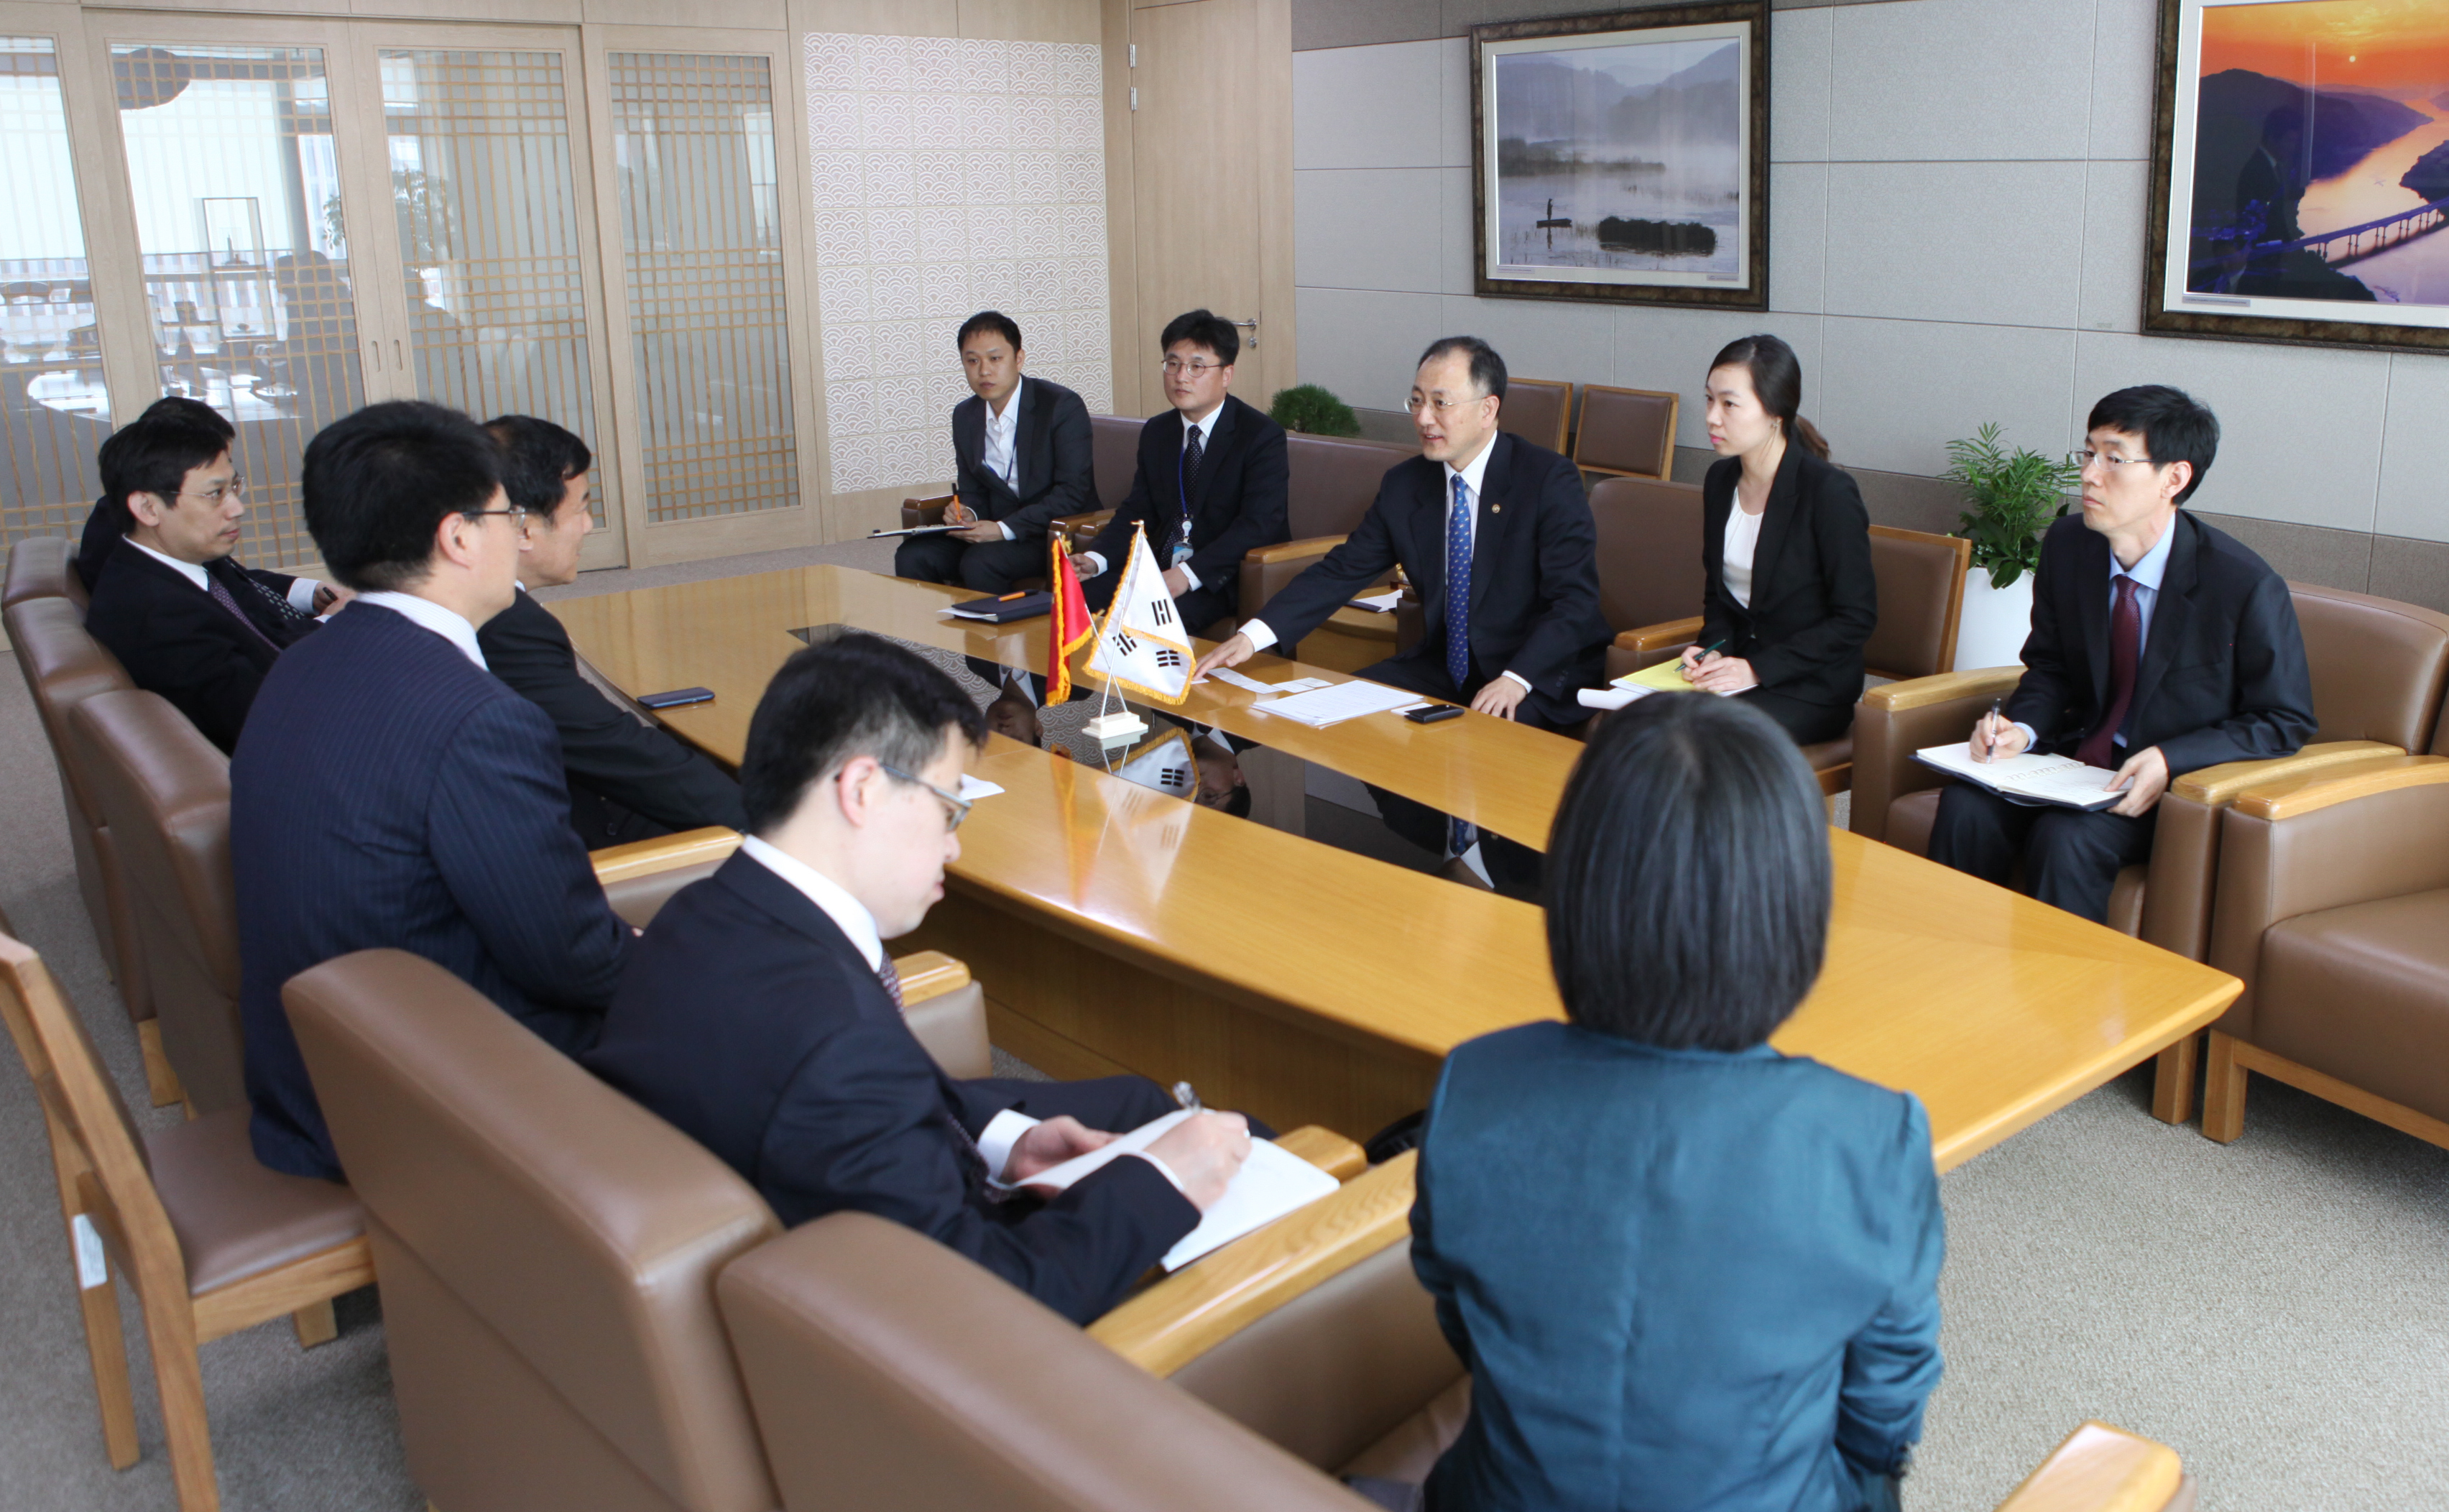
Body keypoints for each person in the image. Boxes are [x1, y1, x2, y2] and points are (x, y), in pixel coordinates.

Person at [589, 633, 1255, 1324]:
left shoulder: (701, 913)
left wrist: (1006, 1139)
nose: (954, 845)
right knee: (1228, 1151)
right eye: (948, 810)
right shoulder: (838, 1043)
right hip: (953, 1334)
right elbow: (988, 1306)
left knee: (1140, 1103)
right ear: (864, 789)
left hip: (831, 1210)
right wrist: (1165, 1181)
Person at [1393, 693, 1942, 1512]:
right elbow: (1884, 1405)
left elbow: (1462, 1319)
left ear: (1576, 886)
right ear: (1791, 909)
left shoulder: (1475, 1084)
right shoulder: (1873, 1136)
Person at [231, 400, 631, 1181]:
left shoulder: (304, 660)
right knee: (775, 1004)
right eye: (505, 513)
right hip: (428, 1094)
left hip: (313, 1072)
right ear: (457, 535)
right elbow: (572, 960)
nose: (520, 531)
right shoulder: (479, 720)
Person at [1927, 385, 2315, 926]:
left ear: (2174, 479)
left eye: (2114, 459)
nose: (2089, 474)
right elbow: (2052, 666)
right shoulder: (2069, 545)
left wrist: (2170, 759)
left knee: (2067, 839)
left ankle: (2061, 1003)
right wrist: (2022, 728)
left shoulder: (2242, 585)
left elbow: (2284, 719)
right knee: (1966, 808)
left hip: (2161, 787)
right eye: (2088, 454)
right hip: (2069, 764)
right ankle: (1945, 973)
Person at [1192, 336, 1608, 729]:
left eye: (1440, 403)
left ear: (1487, 409)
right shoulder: (1406, 485)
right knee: (1346, 715)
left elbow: (1574, 601)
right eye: (1417, 401)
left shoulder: (1547, 479)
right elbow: (1342, 571)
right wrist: (1252, 636)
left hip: (1536, 672)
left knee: (1487, 746)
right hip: (1445, 667)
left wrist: (1517, 678)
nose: (1424, 419)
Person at [475, 414, 747, 848]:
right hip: (571, 839)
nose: (587, 525)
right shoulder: (507, 626)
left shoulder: (489, 606)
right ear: (523, 529)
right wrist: (771, 829)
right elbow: (617, 752)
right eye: (581, 507)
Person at [80, 409, 346, 754]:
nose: (237, 508)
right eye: (215, 494)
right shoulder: (158, 616)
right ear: (148, 508)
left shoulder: (180, 561)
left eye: (234, 486)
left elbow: (268, 633)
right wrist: (340, 632)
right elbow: (270, 721)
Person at [1679, 333, 1877, 745]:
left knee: (1701, 742)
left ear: (1775, 413)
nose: (1713, 417)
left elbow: (1854, 618)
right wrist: (1711, 649)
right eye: (1709, 400)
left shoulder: (1828, 492)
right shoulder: (1720, 480)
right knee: (1633, 728)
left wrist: (1757, 669)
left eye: (1730, 404)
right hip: (1738, 673)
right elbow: (1720, 598)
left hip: (1809, 687)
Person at [1076, 308, 1289, 636]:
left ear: (1227, 374)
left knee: (1158, 620)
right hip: (1159, 566)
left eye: (1196, 367)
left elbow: (1258, 525)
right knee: (1074, 601)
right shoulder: (1158, 431)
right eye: (1172, 364)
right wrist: (1097, 558)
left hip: (1221, 574)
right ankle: (1062, 688)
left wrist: (1187, 575)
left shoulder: (1260, 436)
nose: (1181, 377)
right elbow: (1138, 510)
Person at [894, 310, 1094, 595]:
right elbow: (973, 487)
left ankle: (1001, 640)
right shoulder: (966, 414)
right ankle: (940, 638)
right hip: (992, 527)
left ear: (1019, 358)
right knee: (913, 555)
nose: (983, 371)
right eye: (972, 360)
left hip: (1052, 531)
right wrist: (967, 511)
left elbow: (1073, 494)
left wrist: (1002, 529)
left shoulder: (1061, 406)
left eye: (995, 359)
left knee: (981, 563)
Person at [74, 395, 254, 591]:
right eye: (215, 492)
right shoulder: (128, 547)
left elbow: (235, 579)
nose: (238, 509)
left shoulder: (183, 539)